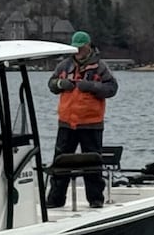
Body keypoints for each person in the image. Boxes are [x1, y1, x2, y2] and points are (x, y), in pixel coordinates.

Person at [46, 30, 118, 208]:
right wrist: (61, 84)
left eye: (81, 48)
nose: (78, 51)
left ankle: (95, 199)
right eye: (75, 48)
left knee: (92, 163)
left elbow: (112, 88)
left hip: (91, 123)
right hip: (66, 123)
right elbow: (51, 84)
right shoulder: (64, 66)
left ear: (88, 46)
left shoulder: (100, 67)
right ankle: (55, 200)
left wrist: (92, 87)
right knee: (61, 163)